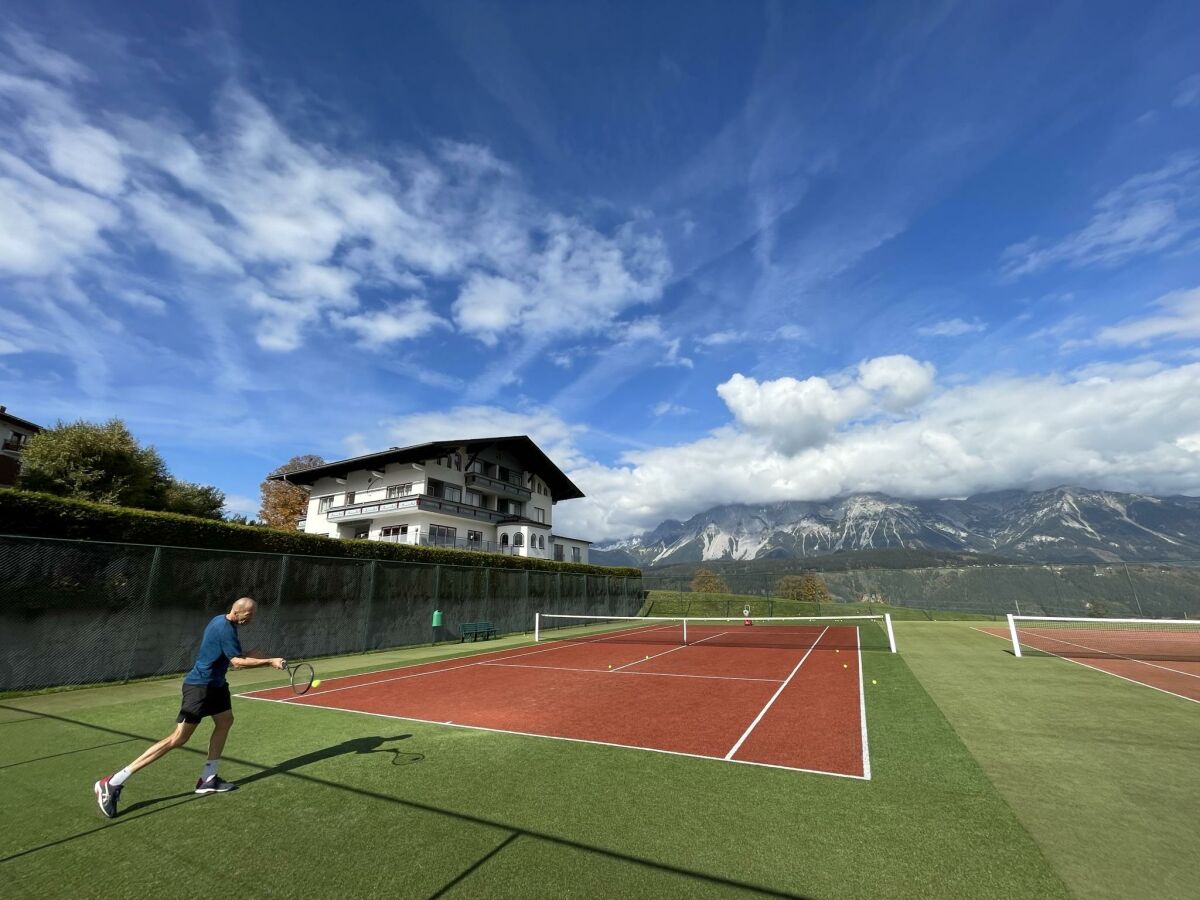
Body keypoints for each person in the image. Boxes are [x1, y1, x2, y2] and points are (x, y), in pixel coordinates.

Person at [93, 597, 284, 818]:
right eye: (249, 615)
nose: (251, 618)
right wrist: (269, 661)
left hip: (216, 686)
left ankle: (208, 778)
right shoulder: (224, 628)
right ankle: (112, 782)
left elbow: (232, 657)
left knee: (225, 721)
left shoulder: (225, 623)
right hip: (199, 688)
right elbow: (237, 662)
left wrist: (254, 655)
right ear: (237, 611)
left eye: (253, 614)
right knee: (178, 738)